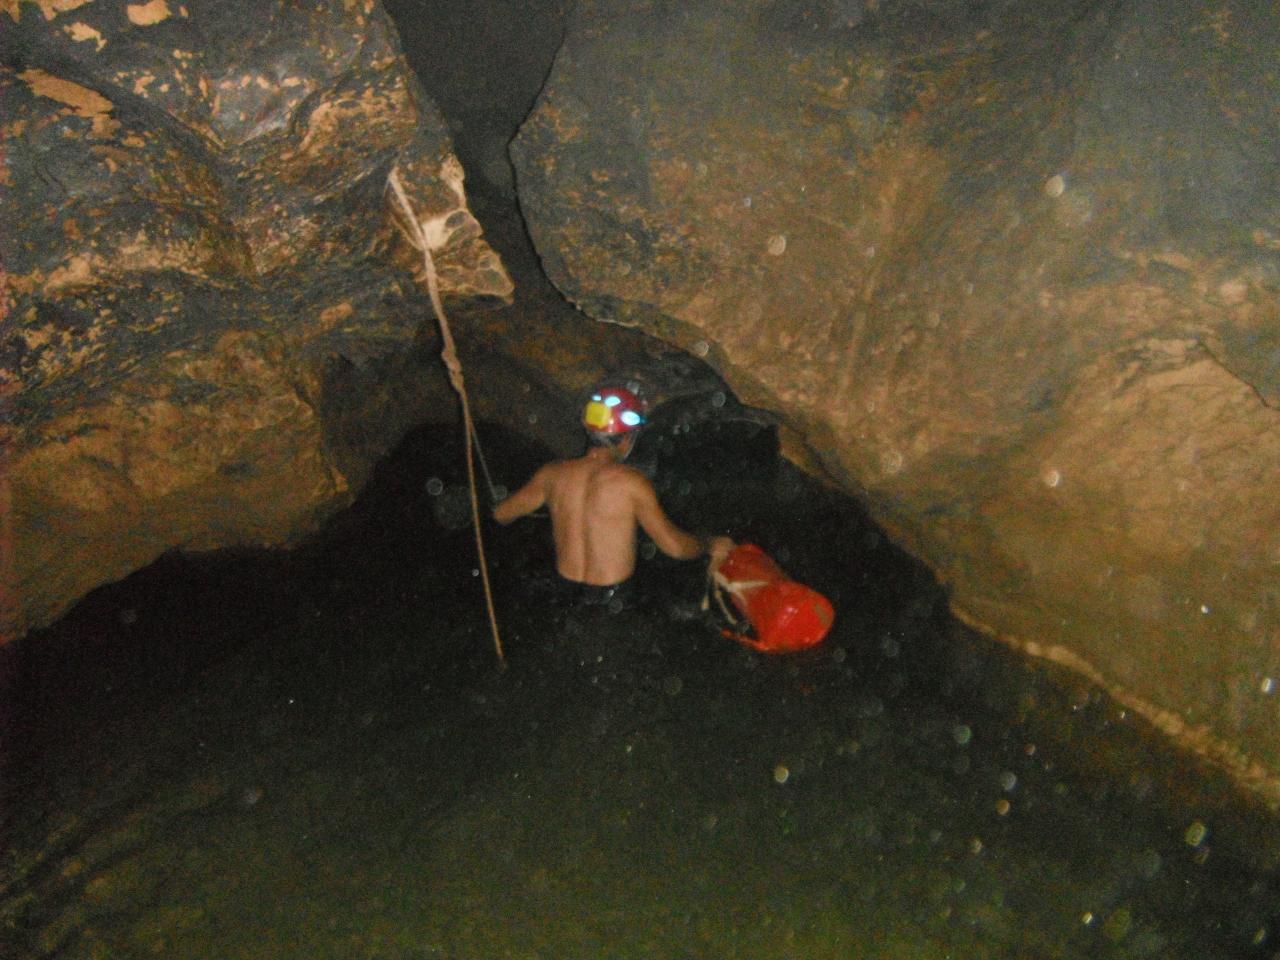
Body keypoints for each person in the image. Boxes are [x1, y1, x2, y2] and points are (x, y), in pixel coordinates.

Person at [494, 383, 734, 609]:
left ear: (588, 428)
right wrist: (708, 544)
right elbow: (673, 547)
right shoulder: (631, 483)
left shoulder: (551, 475)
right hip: (613, 603)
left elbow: (501, 514)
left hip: (562, 599)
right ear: (628, 439)